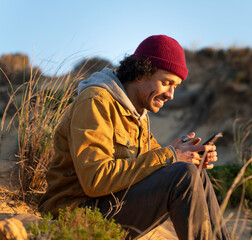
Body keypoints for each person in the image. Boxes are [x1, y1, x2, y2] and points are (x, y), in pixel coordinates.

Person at [38, 35, 230, 240]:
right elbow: (95, 179)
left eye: (175, 86)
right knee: (183, 175)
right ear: (141, 72)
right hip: (75, 213)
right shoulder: (96, 101)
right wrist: (171, 156)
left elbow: (152, 166)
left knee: (194, 173)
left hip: (110, 204)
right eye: (166, 83)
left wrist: (187, 155)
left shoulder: (137, 115)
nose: (171, 94)